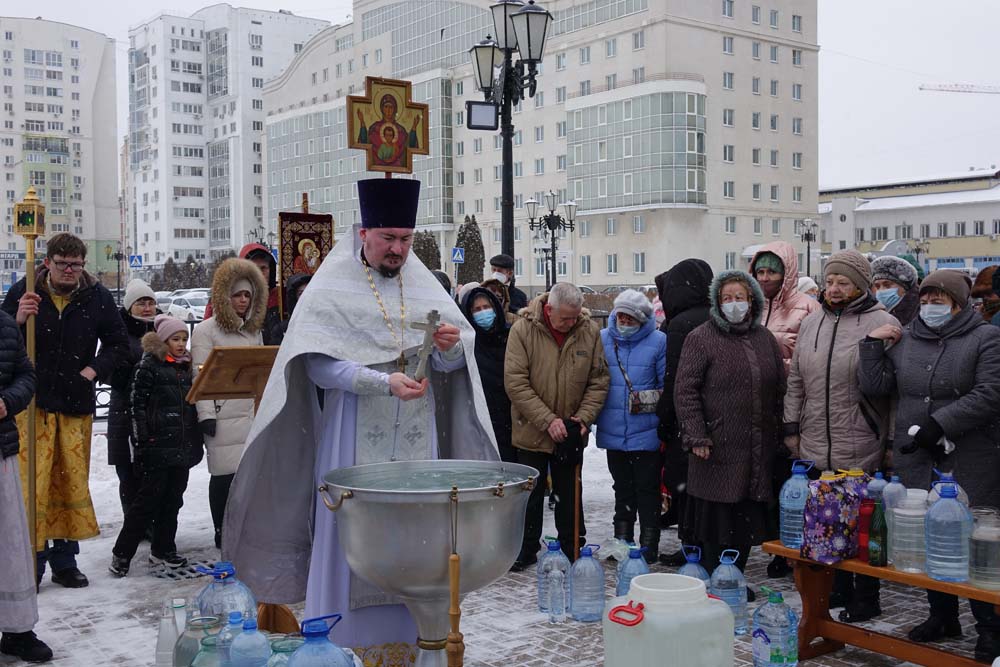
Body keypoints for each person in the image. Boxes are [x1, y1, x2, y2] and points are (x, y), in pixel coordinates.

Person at [222, 177, 499, 655]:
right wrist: (380, 382)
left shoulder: (421, 283)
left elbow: (451, 367)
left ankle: (416, 649)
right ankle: (344, 652)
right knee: (349, 540)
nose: (398, 250)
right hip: (352, 436)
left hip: (417, 440)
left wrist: (452, 350)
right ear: (364, 232)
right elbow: (315, 363)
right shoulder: (333, 284)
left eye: (406, 240)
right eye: (388, 238)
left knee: (417, 538)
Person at [859, 269, 1000, 662]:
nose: (930, 307)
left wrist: (941, 424)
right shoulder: (908, 337)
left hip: (970, 455)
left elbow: (991, 392)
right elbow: (876, 386)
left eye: (939, 300)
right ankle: (942, 616)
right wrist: (871, 346)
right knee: (931, 537)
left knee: (974, 543)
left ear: (958, 303)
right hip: (920, 457)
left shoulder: (985, 338)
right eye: (925, 299)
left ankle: (990, 627)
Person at [1, 232, 128, 589]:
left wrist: (92, 371)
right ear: (48, 263)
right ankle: (33, 558)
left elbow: (119, 346)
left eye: (76, 264)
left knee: (68, 481)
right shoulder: (25, 292)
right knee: (34, 484)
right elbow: (2, 340)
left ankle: (64, 559)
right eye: (62, 264)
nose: (69, 270)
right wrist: (17, 319)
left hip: (74, 404)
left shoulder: (97, 297)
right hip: (33, 404)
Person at [784, 249, 898, 623]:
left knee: (859, 523)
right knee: (826, 521)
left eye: (843, 282)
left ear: (861, 285)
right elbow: (797, 380)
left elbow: (892, 392)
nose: (833, 289)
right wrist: (792, 427)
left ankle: (866, 595)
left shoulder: (882, 321)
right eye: (830, 281)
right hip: (816, 437)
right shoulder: (813, 322)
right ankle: (835, 589)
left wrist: (891, 443)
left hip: (860, 438)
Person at [674, 270, 785, 581]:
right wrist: (697, 435)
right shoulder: (701, 338)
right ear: (716, 302)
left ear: (752, 300)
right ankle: (715, 578)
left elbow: (779, 387)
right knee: (716, 519)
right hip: (717, 445)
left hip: (756, 445)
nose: (733, 304)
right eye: (726, 298)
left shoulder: (764, 338)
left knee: (745, 517)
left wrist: (782, 429)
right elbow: (685, 390)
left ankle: (733, 578)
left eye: (739, 297)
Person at [505, 282, 610, 568]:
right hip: (531, 428)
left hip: (572, 428)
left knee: (570, 490)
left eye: (575, 317)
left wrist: (585, 417)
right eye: (565, 318)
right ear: (548, 309)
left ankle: (573, 545)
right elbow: (516, 382)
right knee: (531, 494)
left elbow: (599, 379)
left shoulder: (588, 331)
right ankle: (525, 549)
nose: (571, 323)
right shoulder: (523, 330)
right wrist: (547, 420)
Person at [109, 315, 202, 577]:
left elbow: (190, 407)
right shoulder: (147, 366)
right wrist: (143, 441)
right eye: (175, 339)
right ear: (163, 340)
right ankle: (122, 553)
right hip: (156, 447)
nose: (181, 344)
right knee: (146, 502)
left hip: (180, 447)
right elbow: (136, 406)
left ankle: (163, 549)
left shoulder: (185, 368)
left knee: (173, 501)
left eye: (184, 339)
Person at [749, 242, 820, 578]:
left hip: (792, 404)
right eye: (760, 271)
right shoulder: (750, 305)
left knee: (792, 480)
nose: (765, 278)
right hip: (758, 406)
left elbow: (810, 357)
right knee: (766, 477)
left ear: (787, 272)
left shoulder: (807, 307)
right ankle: (775, 541)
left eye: (772, 271)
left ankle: (794, 545)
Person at [191, 258, 268, 549]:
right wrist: (205, 415)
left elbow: (260, 370)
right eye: (238, 295)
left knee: (247, 476)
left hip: (249, 413)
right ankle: (221, 528)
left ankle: (245, 526)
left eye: (248, 295)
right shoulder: (205, 331)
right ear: (226, 297)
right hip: (222, 415)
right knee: (223, 476)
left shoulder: (253, 330)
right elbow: (200, 374)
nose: (243, 300)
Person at [595, 290, 666, 563]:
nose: (623, 321)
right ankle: (622, 540)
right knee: (621, 487)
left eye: (630, 317)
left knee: (647, 490)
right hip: (613, 430)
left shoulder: (658, 342)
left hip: (645, 430)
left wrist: (647, 401)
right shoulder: (602, 339)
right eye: (620, 316)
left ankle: (649, 545)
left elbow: (664, 385)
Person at [0, 308, 53, 663]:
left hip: (0, 449)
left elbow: (26, 375)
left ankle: (17, 631)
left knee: (9, 545)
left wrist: (7, 402)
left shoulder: (3, 324)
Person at [653, 258, 714, 566]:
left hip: (685, 422)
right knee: (707, 490)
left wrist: (664, 421)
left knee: (687, 488)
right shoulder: (715, 316)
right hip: (716, 418)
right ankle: (707, 545)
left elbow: (675, 378)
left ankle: (692, 548)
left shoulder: (680, 325)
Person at [107, 279, 159, 515]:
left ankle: (151, 522)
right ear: (129, 307)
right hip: (125, 415)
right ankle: (134, 524)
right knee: (129, 475)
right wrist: (137, 370)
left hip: (154, 415)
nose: (147, 308)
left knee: (153, 474)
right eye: (141, 303)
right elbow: (109, 373)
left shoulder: (160, 330)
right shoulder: (118, 333)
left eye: (150, 303)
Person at [461, 286, 514, 462]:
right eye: (476, 310)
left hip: (511, 414)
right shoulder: (467, 341)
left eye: (486, 307)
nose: (483, 313)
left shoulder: (511, 335)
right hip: (482, 414)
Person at [203, 243, 281, 344]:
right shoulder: (222, 299)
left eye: (263, 268)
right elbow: (209, 332)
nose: (259, 274)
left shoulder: (278, 298)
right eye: (254, 268)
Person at [356, 94, 420, 169]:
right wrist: (362, 122)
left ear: (394, 109)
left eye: (391, 107)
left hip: (397, 164)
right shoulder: (374, 128)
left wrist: (414, 127)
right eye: (386, 107)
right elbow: (364, 142)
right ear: (382, 108)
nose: (388, 110)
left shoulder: (400, 129)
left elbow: (410, 145)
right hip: (377, 163)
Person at [870, 255, 920, 325]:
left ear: (904, 287)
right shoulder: (872, 314)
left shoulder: (918, 313)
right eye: (877, 286)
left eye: (887, 285)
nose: (881, 290)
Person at [269, 273, 312, 346]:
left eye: (308, 292)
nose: (305, 296)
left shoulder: (321, 325)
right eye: (301, 293)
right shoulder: (281, 329)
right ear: (294, 297)